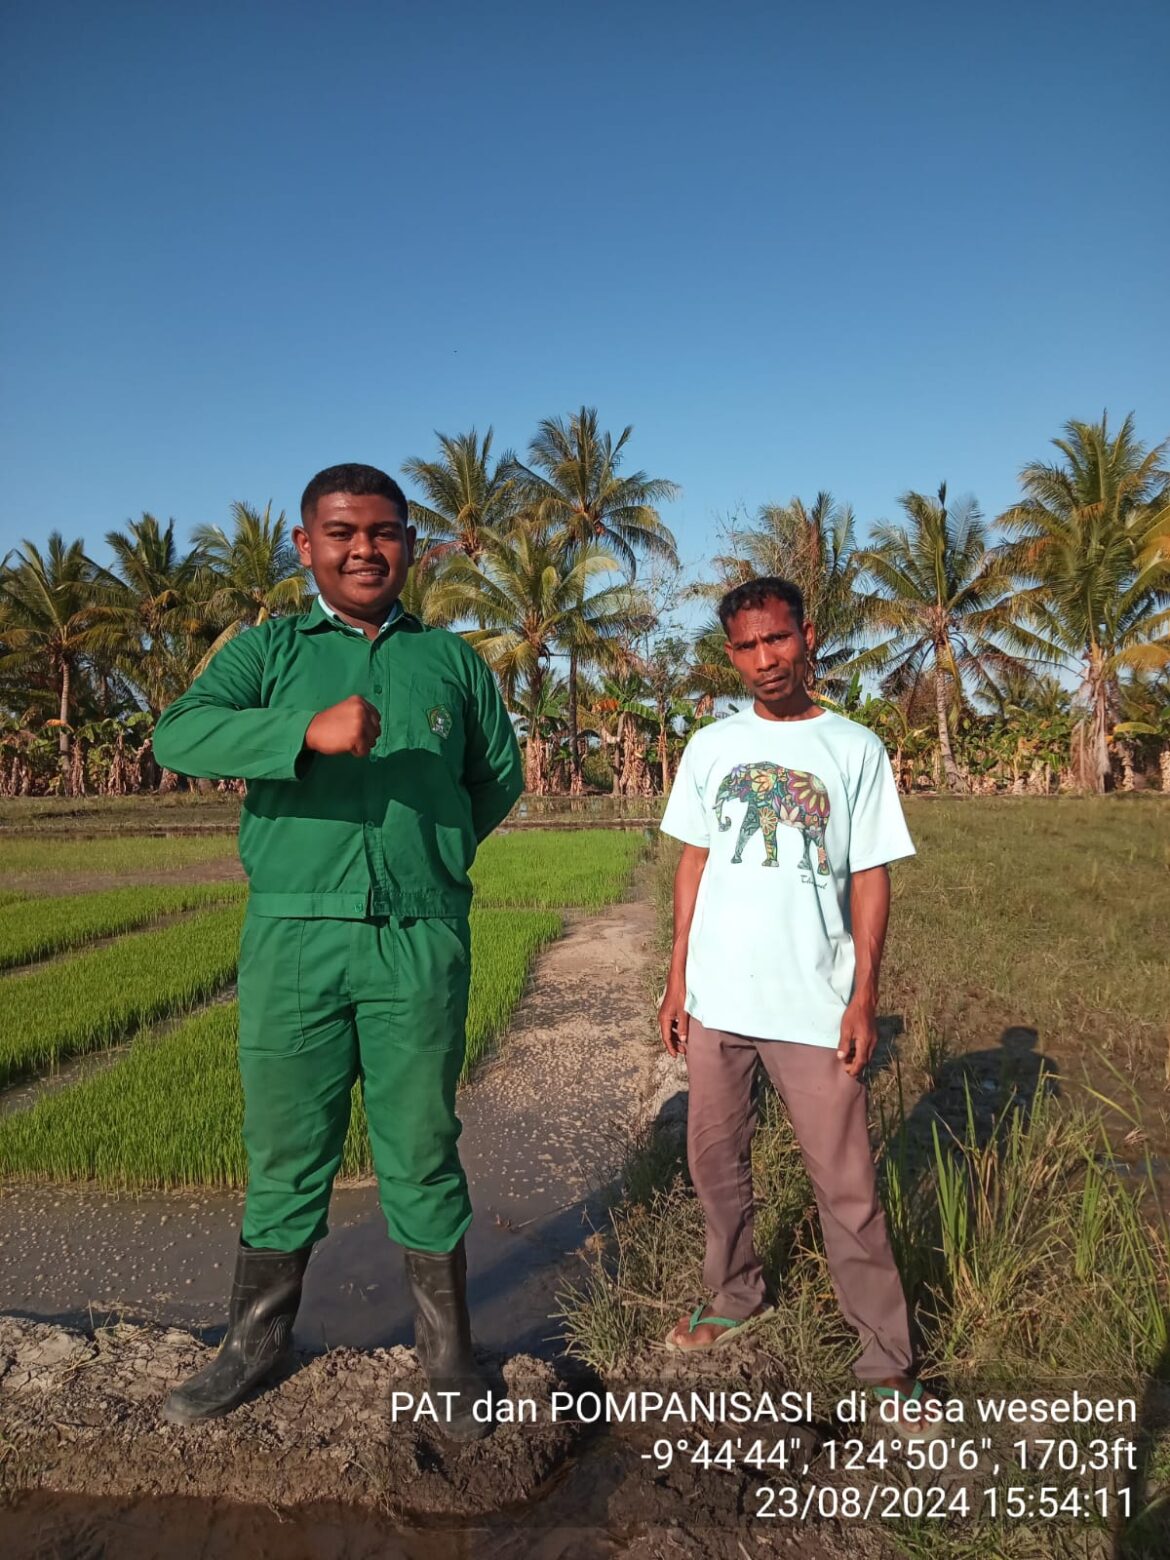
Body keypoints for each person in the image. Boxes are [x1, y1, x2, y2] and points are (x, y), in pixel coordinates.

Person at [153, 462, 523, 1440]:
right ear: (306, 545)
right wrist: (301, 732)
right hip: (293, 936)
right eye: (343, 532)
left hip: (418, 941)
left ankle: (447, 1357)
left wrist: (432, 860)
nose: (365, 549)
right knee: (286, 1147)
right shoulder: (268, 652)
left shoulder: (453, 663)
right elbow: (177, 736)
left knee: (421, 1146)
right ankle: (256, 1344)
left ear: (413, 544)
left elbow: (494, 780)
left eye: (385, 532)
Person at [657, 575, 939, 1434]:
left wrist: (864, 996)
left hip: (813, 1003)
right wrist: (676, 977)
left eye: (776, 640)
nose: (763, 660)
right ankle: (735, 1293)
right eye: (745, 647)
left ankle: (885, 1361)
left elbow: (871, 876)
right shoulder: (710, 746)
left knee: (847, 1185)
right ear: (731, 654)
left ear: (806, 635)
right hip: (718, 999)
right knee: (715, 1165)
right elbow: (695, 864)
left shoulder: (854, 749)